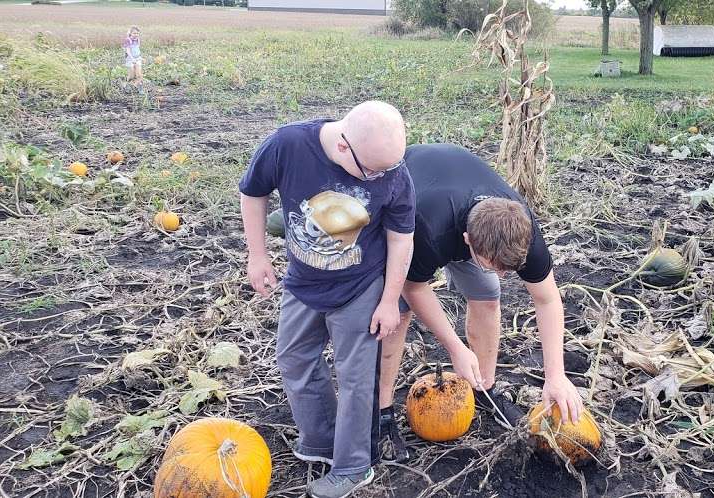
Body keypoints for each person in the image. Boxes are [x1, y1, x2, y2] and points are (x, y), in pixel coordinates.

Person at [239, 101, 414, 498]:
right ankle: (322, 440)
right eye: (371, 170)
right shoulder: (287, 145)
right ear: (342, 147)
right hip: (304, 281)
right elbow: (253, 193)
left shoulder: (393, 171)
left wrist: (389, 300)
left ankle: (354, 466)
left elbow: (402, 237)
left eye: (387, 169)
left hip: (361, 286)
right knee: (294, 356)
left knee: (355, 377)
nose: (381, 177)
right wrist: (257, 254)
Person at [376, 143, 583, 462]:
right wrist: (456, 348)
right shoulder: (429, 229)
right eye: (494, 265)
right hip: (416, 203)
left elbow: (547, 299)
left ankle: (482, 386)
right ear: (468, 241)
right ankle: (382, 414)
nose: (502, 274)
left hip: (465, 204)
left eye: (508, 268)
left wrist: (555, 375)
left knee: (488, 296)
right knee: (396, 316)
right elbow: (413, 287)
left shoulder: (522, 230)